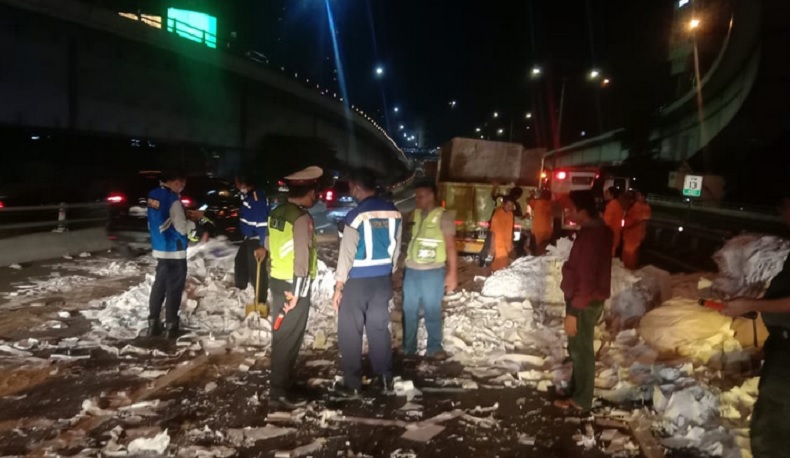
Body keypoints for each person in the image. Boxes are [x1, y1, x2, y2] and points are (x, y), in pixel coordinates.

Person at [719, 191, 790, 457]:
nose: (783, 215)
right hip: (781, 343)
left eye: (784, 207)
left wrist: (753, 305)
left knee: (772, 426)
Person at [333, 168, 403, 396]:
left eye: (351, 186)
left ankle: (352, 384)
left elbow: (346, 253)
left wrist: (339, 285)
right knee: (378, 329)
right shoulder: (394, 213)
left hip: (357, 283)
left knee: (350, 331)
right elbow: (396, 249)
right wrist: (388, 273)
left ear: (357, 187)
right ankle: (383, 378)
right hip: (382, 280)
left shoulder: (355, 216)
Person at [265, 166, 323, 410]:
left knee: (283, 334)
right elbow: (301, 256)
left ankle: (285, 384)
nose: (316, 196)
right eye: (315, 192)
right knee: (289, 337)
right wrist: (297, 293)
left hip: (278, 279)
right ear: (308, 191)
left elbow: (269, 244)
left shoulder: (277, 212)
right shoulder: (300, 218)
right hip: (293, 284)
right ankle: (278, 392)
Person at [555, 190, 613, 412]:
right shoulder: (600, 231)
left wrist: (574, 311)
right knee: (579, 347)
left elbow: (586, 278)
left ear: (583, 211)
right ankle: (577, 391)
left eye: (571, 209)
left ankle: (581, 399)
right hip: (588, 300)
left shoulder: (590, 237)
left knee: (581, 350)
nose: (568, 212)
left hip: (583, 302)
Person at [402, 180, 458, 360]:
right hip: (412, 270)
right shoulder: (416, 214)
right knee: (409, 310)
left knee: (432, 309)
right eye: (416, 196)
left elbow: (450, 247)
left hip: (433, 271)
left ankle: (434, 347)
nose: (417, 199)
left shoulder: (444, 216)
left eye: (421, 196)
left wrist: (452, 273)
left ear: (431, 196)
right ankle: (408, 347)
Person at [146, 170, 191, 338]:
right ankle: (171, 327)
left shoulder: (153, 196)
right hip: (175, 250)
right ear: (176, 181)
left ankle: (153, 324)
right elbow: (181, 228)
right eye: (182, 184)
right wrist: (192, 224)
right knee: (174, 289)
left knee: (159, 285)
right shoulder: (174, 200)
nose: (182, 188)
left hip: (159, 247)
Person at [234, 172, 270, 309]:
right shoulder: (248, 196)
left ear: (245, 184)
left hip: (256, 240)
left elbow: (262, 224)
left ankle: (261, 302)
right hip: (249, 238)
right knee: (240, 261)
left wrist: (262, 246)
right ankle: (240, 289)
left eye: (238, 183)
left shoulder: (256, 199)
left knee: (257, 272)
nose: (236, 186)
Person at [621, 190, 651, 269]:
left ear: (643, 197)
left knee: (630, 254)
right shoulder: (641, 206)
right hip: (633, 234)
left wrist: (623, 225)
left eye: (638, 195)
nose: (637, 197)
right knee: (631, 253)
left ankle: (630, 269)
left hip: (633, 235)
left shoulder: (640, 207)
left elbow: (634, 220)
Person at [489, 198, 515, 272]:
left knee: (504, 265)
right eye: (508, 205)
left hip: (507, 244)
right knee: (500, 266)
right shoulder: (497, 215)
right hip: (499, 244)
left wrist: (511, 242)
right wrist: (492, 247)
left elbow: (510, 229)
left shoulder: (511, 214)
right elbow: (493, 233)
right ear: (503, 204)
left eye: (511, 205)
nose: (510, 207)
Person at [529, 189, 554, 256]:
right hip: (548, 230)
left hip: (538, 230)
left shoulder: (537, 203)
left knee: (539, 247)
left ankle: (539, 260)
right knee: (545, 247)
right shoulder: (550, 205)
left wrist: (531, 194)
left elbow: (530, 201)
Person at [603, 186, 625, 257]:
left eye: (607, 193)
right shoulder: (618, 205)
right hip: (615, 235)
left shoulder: (611, 206)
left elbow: (606, 222)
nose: (605, 194)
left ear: (611, 195)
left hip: (609, 236)